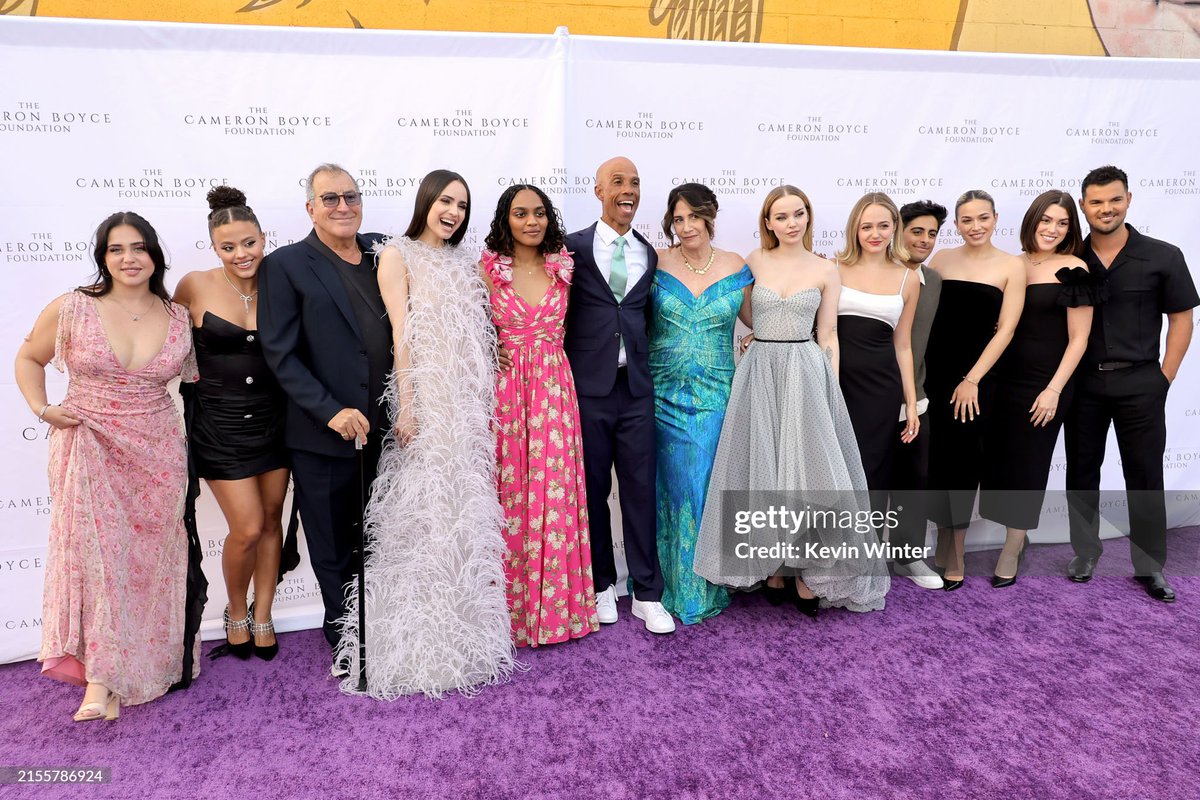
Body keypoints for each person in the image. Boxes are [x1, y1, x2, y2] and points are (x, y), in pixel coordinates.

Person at [334, 170, 515, 698]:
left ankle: (464, 635)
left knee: (462, 512)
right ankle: (418, 642)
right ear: (426, 202)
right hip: (429, 402)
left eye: (462, 205)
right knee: (426, 513)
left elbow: (478, 333)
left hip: (468, 405)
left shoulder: (467, 261)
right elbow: (401, 334)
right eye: (445, 201)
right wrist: (408, 406)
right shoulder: (398, 255)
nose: (453, 212)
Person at [14, 212, 199, 720]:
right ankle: (99, 680)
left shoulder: (178, 316)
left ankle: (138, 665)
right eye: (116, 249)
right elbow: (28, 358)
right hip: (87, 441)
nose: (128, 258)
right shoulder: (73, 307)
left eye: (138, 248)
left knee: (147, 565)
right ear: (103, 257)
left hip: (157, 452)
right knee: (95, 559)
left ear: (155, 255)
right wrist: (42, 408)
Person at [693, 185, 890, 616]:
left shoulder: (825, 268)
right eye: (781, 216)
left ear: (808, 216)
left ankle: (805, 572)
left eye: (798, 213)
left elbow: (829, 333)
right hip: (760, 372)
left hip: (806, 372)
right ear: (768, 222)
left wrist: (829, 389)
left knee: (807, 477)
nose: (791, 223)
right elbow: (747, 314)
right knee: (763, 472)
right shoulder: (753, 261)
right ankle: (774, 567)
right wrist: (756, 336)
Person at [258, 164, 390, 674]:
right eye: (330, 198)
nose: (343, 206)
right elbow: (280, 354)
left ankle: (383, 625)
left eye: (351, 196)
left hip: (388, 431)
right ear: (310, 208)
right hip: (323, 435)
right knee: (333, 545)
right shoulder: (286, 265)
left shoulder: (383, 251)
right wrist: (330, 410)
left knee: (381, 538)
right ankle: (346, 639)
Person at [1065, 165, 1197, 602]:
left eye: (1114, 200)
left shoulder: (1163, 255)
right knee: (1081, 471)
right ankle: (1085, 553)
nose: (1106, 208)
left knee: (1145, 475)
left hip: (1142, 382)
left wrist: (1165, 376)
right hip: (1082, 384)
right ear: (1083, 205)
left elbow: (1182, 318)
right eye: (1096, 201)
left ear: (1129, 200)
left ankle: (1150, 566)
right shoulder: (1069, 258)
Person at [481, 184, 599, 647]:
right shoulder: (488, 270)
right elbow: (466, 330)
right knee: (511, 495)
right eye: (520, 213)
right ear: (505, 220)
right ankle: (509, 614)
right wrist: (488, 350)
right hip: (508, 395)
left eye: (539, 213)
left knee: (555, 492)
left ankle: (555, 611)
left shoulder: (563, 267)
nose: (531, 221)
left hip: (554, 391)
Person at [173, 186, 289, 659]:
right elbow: (163, 341)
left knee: (272, 521)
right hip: (219, 427)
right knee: (247, 526)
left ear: (263, 238)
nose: (241, 254)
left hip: (276, 421)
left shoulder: (282, 281)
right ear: (214, 247)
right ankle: (235, 610)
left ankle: (264, 614)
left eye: (249, 243)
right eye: (228, 246)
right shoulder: (194, 286)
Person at [564, 156, 675, 634]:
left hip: (636, 391)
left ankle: (647, 593)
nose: (628, 190)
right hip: (587, 390)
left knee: (640, 491)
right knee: (591, 491)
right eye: (617, 182)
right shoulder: (570, 248)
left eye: (635, 182)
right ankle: (601, 585)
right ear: (598, 191)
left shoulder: (649, 253)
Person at [979, 191, 1097, 587]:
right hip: (1001, 380)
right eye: (1046, 220)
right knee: (1000, 463)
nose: (1052, 229)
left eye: (1062, 223)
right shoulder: (1011, 264)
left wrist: (1054, 390)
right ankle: (1017, 535)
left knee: (1028, 466)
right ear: (1032, 220)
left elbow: (1079, 340)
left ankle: (1011, 549)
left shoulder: (1074, 268)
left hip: (1045, 384)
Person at [650, 182, 752, 624]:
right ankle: (670, 582)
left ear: (710, 216)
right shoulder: (656, 261)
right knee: (671, 486)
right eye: (678, 219)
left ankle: (705, 583)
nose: (686, 226)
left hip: (715, 392)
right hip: (661, 392)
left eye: (693, 216)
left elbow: (759, 319)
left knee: (705, 484)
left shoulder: (736, 264)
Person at [925, 189, 1025, 591]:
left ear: (995, 218)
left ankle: (957, 553)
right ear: (956, 224)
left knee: (964, 466)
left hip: (977, 381)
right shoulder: (941, 259)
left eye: (983, 218)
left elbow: (1007, 330)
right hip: (935, 374)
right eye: (966, 220)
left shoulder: (1011, 265)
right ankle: (942, 542)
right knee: (937, 462)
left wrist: (973, 379)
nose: (975, 226)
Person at [834, 193, 920, 512]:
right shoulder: (832, 268)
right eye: (866, 226)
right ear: (854, 229)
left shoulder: (908, 279)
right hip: (837, 384)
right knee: (835, 472)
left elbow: (903, 344)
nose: (875, 234)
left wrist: (911, 403)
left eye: (883, 225)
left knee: (873, 472)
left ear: (894, 227)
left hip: (881, 392)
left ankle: (866, 545)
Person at [887, 200, 948, 590]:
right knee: (867, 484)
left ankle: (908, 555)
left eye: (932, 233)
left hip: (916, 398)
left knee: (913, 481)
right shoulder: (870, 274)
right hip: (865, 398)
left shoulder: (935, 281)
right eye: (916, 231)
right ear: (898, 231)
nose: (925, 240)